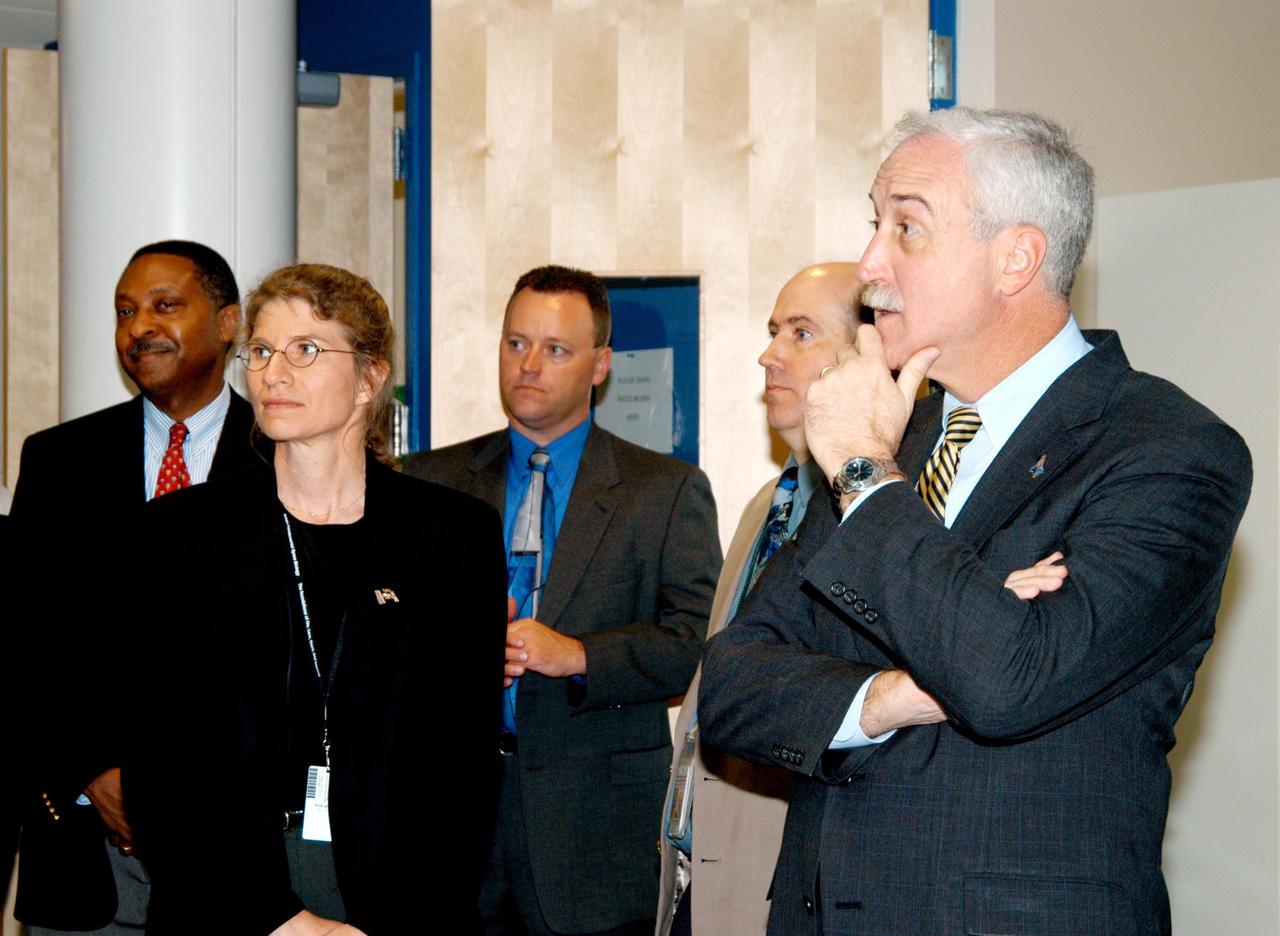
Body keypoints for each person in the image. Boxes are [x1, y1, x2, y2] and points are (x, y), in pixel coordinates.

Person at [700, 107, 1252, 935]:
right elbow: (731, 686)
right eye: (874, 224)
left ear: (1015, 259)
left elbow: (1006, 681)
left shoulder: (1168, 449)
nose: (869, 265)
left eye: (906, 229)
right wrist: (891, 695)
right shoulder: (892, 437)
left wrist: (865, 475)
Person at [125, 264, 507, 935]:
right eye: (261, 351)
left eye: (304, 350)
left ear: (367, 378)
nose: (273, 373)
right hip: (226, 902)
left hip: (399, 906)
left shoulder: (453, 537)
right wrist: (281, 920)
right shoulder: (182, 536)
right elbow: (164, 768)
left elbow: (463, 767)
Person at [405, 264, 721, 936]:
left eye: (555, 349)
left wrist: (578, 655)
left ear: (600, 365)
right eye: (516, 343)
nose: (529, 365)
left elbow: (697, 644)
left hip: (597, 836)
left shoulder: (664, 490)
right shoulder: (429, 482)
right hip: (450, 822)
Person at [9, 239, 261, 934]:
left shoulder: (282, 458)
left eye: (164, 306)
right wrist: (88, 769)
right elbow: (24, 640)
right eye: (125, 311)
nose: (139, 327)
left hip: (241, 857)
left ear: (228, 322)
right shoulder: (58, 461)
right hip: (83, 856)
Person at [656, 263, 860, 936]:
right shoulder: (762, 509)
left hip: (789, 887)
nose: (769, 355)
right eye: (774, 331)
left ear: (869, 356)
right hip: (696, 874)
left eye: (801, 333)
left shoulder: (882, 523)